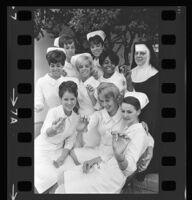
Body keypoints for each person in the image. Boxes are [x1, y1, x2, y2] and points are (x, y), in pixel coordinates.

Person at [55, 85, 154, 193]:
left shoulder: (132, 124)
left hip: (113, 171)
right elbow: (88, 123)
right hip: (105, 159)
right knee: (63, 177)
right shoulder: (118, 122)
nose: (104, 105)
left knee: (64, 188)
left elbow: (144, 139)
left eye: (107, 101)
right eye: (101, 101)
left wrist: (149, 149)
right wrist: (81, 129)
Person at [34, 81, 80, 193]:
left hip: (58, 150)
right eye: (66, 99)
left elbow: (70, 139)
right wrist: (53, 130)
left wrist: (62, 157)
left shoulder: (76, 117)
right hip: (42, 149)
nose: (69, 103)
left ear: (76, 98)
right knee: (48, 177)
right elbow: (45, 133)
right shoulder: (53, 112)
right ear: (60, 99)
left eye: (72, 99)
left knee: (71, 174)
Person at [130, 41, 159, 176]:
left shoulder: (158, 74)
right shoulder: (130, 73)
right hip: (134, 116)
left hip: (152, 116)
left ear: (149, 54)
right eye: (136, 53)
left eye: (143, 53)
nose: (139, 56)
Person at [35, 47, 79, 113]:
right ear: (49, 65)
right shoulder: (41, 82)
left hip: (70, 115)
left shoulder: (71, 81)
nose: (55, 69)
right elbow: (38, 101)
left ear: (63, 65)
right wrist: (38, 107)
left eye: (58, 66)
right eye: (52, 66)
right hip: (53, 116)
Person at [71, 53, 100, 118]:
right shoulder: (78, 85)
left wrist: (91, 96)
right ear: (78, 69)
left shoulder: (97, 84)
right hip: (80, 117)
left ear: (90, 67)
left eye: (86, 66)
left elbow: (100, 107)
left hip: (93, 118)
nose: (84, 69)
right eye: (81, 67)